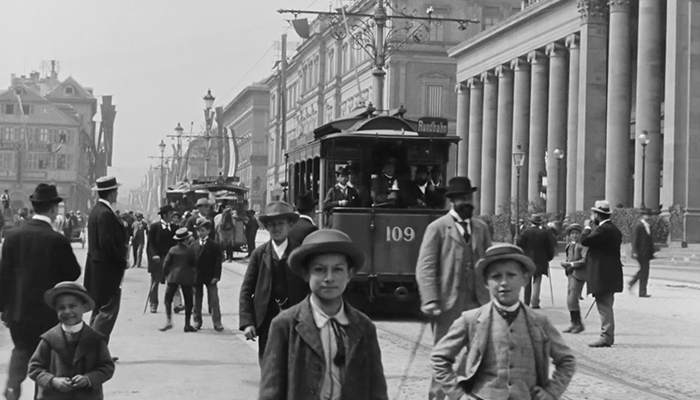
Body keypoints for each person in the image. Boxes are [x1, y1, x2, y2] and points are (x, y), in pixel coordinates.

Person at [431, 244, 576, 400]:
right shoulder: (471, 319)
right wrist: (458, 395)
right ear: (486, 282)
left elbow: (566, 360)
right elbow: (440, 357)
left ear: (525, 279)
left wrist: (551, 392)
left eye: (511, 275)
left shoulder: (539, 322)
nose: (504, 283)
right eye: (496, 277)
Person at [259, 229, 388, 400]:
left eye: (337, 270)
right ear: (306, 274)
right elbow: (271, 390)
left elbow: (377, 389)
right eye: (319, 270)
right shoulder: (285, 325)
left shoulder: (363, 327)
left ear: (349, 275)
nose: (329, 278)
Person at [0, 184, 82, 400]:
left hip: (17, 312)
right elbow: (73, 272)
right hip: (48, 314)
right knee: (46, 361)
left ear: (33, 206)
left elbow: (3, 276)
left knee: (21, 350)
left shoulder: (12, 236)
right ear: (53, 210)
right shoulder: (57, 240)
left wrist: (3, 309)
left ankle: (11, 391)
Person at [415, 177, 492, 400]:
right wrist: (430, 299)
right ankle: (437, 397)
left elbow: (489, 263)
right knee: (445, 356)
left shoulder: (481, 228)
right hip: (448, 304)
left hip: (478, 303)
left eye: (468, 197)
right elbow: (425, 267)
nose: (466, 202)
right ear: (451, 201)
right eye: (461, 199)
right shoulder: (437, 228)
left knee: (478, 355)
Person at [239, 201, 307, 361]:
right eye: (272, 225)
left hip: (295, 319)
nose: (277, 229)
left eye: (281, 224)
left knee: (294, 364)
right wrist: (248, 323)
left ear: (290, 225)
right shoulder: (259, 254)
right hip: (266, 320)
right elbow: (246, 290)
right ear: (266, 227)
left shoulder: (299, 254)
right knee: (268, 362)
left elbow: (309, 289)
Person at [28, 282, 115, 400]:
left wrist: (89, 378)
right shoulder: (49, 338)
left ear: (84, 307)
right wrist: (52, 380)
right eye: (61, 308)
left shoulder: (95, 339)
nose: (67, 311)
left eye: (73, 306)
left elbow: (107, 367)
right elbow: (34, 368)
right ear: (56, 310)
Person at [83, 176, 128, 355]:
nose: (116, 193)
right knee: (107, 312)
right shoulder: (105, 214)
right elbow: (106, 243)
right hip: (107, 271)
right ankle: (94, 352)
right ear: (110, 193)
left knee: (98, 310)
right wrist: (122, 261)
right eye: (115, 191)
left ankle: (93, 350)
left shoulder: (97, 211)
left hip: (98, 270)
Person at [581, 200, 623, 348]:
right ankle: (607, 335)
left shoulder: (601, 230)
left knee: (604, 306)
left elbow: (585, 240)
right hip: (611, 274)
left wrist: (587, 226)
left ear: (598, 215)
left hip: (601, 274)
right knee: (607, 305)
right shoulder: (614, 230)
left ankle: (606, 337)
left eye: (593, 214)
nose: (592, 216)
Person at [159, 228, 197, 332]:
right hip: (186, 277)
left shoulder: (172, 250)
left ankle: (168, 320)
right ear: (186, 239)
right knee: (188, 301)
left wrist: (164, 276)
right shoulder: (190, 250)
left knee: (168, 299)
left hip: (173, 277)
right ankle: (187, 324)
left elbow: (166, 264)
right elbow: (194, 264)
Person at [516, 214, 556, 309]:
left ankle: (526, 302)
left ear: (531, 222)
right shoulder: (544, 233)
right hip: (540, 260)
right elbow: (549, 247)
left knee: (527, 282)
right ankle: (535, 302)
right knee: (537, 280)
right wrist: (549, 258)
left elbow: (518, 243)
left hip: (527, 260)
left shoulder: (525, 232)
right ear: (539, 223)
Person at [192, 219, 223, 332]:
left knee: (213, 300)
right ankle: (197, 320)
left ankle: (217, 322)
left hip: (210, 277)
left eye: (203, 230)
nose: (200, 233)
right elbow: (190, 263)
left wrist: (216, 276)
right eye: (198, 231)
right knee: (196, 300)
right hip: (197, 277)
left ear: (209, 231)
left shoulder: (214, 245)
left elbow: (218, 263)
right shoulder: (193, 245)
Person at [147, 205, 178, 313]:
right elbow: (150, 244)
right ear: (164, 215)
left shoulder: (175, 228)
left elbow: (177, 244)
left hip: (171, 259)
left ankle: (176, 304)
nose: (172, 216)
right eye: (170, 214)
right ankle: (153, 303)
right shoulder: (155, 227)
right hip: (158, 259)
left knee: (174, 281)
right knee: (155, 282)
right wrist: (154, 255)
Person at [560, 224, 587, 334]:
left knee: (573, 298)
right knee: (569, 299)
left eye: (577, 233)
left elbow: (585, 260)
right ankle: (573, 322)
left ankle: (578, 323)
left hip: (579, 274)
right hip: (570, 274)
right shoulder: (569, 245)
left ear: (581, 234)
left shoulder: (583, 246)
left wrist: (571, 264)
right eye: (572, 233)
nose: (574, 236)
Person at [629, 207, 655, 298]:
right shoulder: (638, 226)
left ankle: (633, 284)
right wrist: (634, 251)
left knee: (644, 271)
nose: (648, 217)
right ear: (643, 216)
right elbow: (635, 240)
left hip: (647, 253)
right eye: (646, 215)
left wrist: (652, 252)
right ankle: (642, 291)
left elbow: (649, 241)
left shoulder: (648, 226)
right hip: (640, 253)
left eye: (649, 216)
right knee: (644, 271)